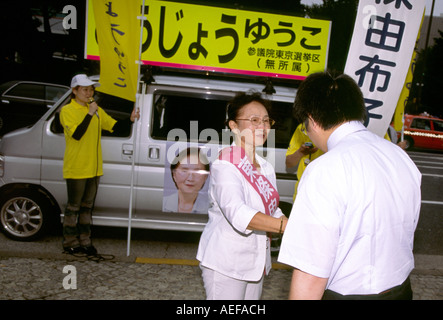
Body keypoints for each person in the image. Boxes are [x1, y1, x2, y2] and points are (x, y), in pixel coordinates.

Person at [278, 72, 422, 300]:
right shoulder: (400, 157)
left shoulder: (325, 169)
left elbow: (311, 272)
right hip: (401, 289)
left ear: (312, 120)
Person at [197, 91, 288, 300]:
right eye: (254, 120)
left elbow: (272, 208)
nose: (263, 127)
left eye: (266, 121)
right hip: (226, 262)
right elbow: (238, 213)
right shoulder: (225, 165)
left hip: (256, 262)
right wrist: (286, 227)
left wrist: (288, 220)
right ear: (234, 126)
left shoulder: (265, 167)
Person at [60, 74, 139, 256]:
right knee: (73, 207)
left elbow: (113, 125)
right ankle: (70, 242)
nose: (90, 93)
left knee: (87, 207)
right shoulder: (67, 111)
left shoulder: (95, 109)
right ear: (75, 91)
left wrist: (130, 119)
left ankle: (85, 241)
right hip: (77, 167)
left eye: (91, 89)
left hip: (94, 167)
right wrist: (89, 114)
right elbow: (77, 134)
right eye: (85, 89)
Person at [163, 147, 210, 213]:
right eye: (184, 170)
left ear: (205, 176)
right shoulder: (160, 203)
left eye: (197, 171)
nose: (190, 178)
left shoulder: (211, 209)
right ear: (174, 174)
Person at [285, 123, 323, 200]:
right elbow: (289, 163)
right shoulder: (302, 128)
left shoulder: (338, 128)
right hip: (302, 191)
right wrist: (300, 152)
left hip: (325, 191)